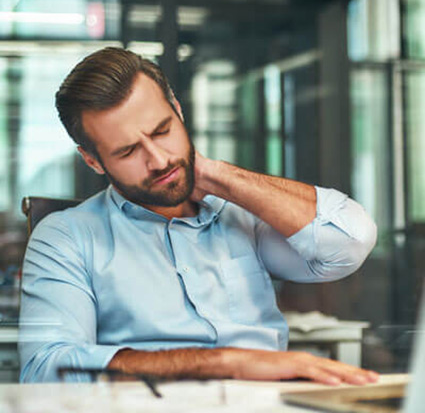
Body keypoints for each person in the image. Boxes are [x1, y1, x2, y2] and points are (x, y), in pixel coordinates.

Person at [19, 47, 379, 385]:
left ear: (177, 109)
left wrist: (213, 175)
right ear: (93, 160)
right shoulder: (66, 236)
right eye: (128, 151)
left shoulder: (242, 214)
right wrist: (226, 363)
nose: (159, 161)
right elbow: (46, 369)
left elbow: (349, 244)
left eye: (163, 131)